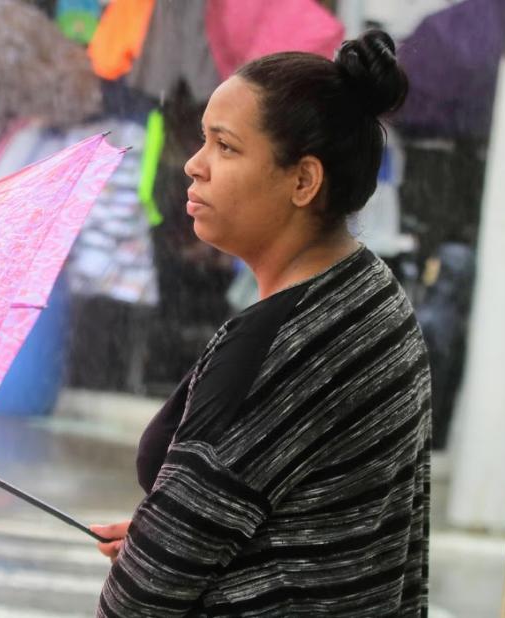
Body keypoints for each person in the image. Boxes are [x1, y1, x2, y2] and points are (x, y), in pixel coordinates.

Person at [90, 30, 431, 616]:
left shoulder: (277, 347)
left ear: (303, 181)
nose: (193, 166)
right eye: (203, 141)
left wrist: (162, 559)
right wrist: (172, 543)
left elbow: (141, 603)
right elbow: (326, 522)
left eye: (225, 147)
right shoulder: (374, 296)